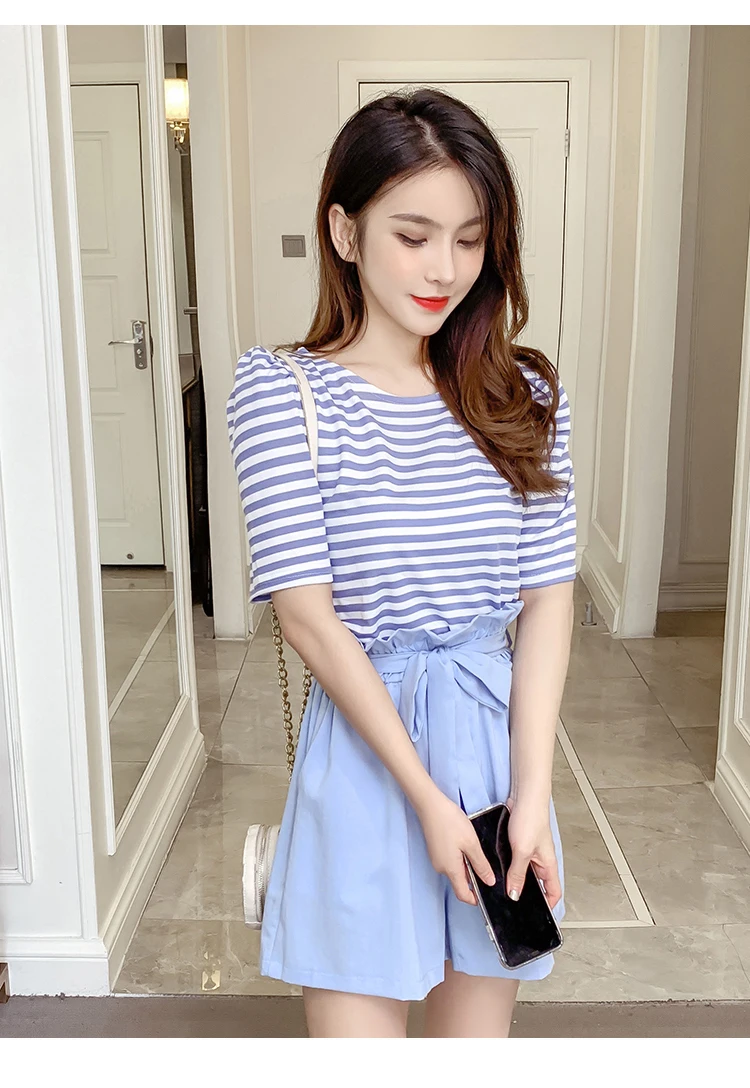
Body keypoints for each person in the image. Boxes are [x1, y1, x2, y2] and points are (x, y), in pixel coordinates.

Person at [225, 86, 576, 1039]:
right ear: (345, 231)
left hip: (494, 760)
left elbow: (548, 601)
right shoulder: (282, 393)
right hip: (370, 761)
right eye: (413, 235)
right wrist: (424, 798)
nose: (444, 268)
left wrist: (532, 795)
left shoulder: (525, 392)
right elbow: (307, 616)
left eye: (470, 239)